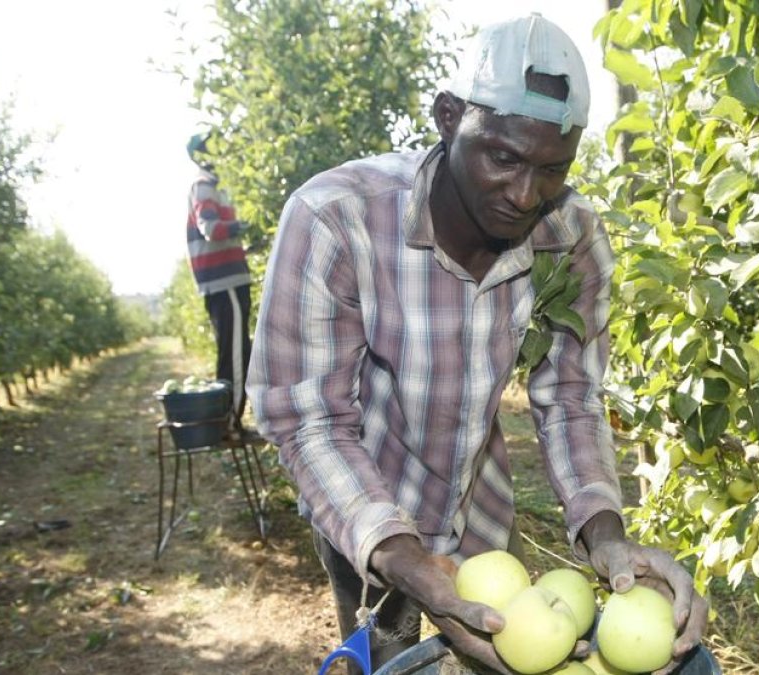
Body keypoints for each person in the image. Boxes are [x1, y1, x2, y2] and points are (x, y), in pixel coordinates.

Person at [247, 14, 707, 674]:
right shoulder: (336, 219)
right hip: (364, 505)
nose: (525, 194)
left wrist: (606, 537)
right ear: (448, 116)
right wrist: (407, 561)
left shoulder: (569, 236)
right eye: (503, 157)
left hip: (479, 505)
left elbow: (571, 397)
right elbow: (308, 419)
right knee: (388, 655)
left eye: (553, 168)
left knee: (511, 651)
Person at [186, 132, 253, 430]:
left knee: (240, 349)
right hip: (224, 281)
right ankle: (229, 422)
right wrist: (244, 226)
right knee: (235, 353)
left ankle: (230, 418)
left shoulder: (217, 187)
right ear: (203, 154)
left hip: (229, 278)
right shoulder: (204, 186)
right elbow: (211, 229)